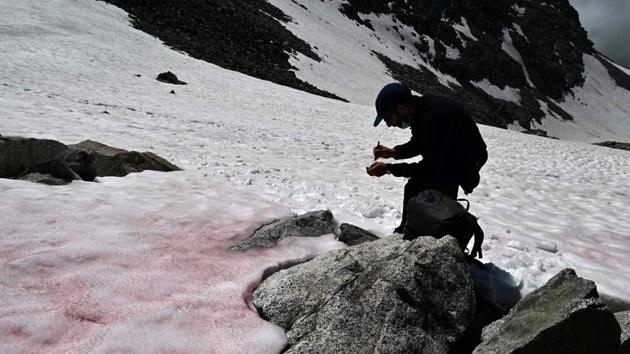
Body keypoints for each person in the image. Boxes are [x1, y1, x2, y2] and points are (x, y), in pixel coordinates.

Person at [366, 83, 487, 234]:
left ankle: (422, 234)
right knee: (419, 188)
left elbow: (430, 166)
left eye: (388, 118)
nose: (390, 125)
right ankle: (411, 230)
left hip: (464, 162)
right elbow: (420, 142)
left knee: (429, 192)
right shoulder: (420, 109)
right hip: (452, 155)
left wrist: (389, 168)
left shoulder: (433, 117)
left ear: (401, 108)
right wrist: (394, 152)